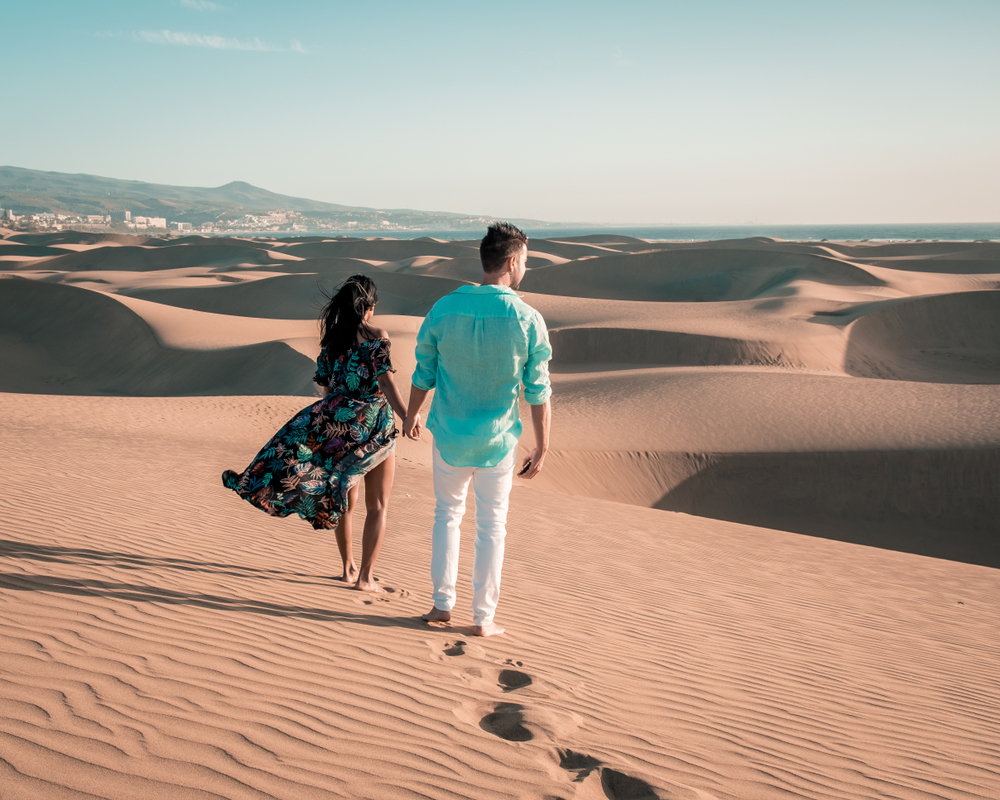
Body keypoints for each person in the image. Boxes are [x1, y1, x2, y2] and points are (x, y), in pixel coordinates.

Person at [402, 222, 552, 637]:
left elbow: (424, 371)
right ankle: (484, 619)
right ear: (510, 261)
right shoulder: (527, 318)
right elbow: (538, 390)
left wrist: (412, 414)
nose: (524, 267)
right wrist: (542, 446)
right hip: (498, 441)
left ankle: (440, 605)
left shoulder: (444, 309)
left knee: (447, 516)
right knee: (492, 525)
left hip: (449, 435)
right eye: (524, 260)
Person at [222, 274, 409, 593]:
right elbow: (385, 382)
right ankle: (366, 578)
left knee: (345, 503)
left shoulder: (332, 341)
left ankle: (347, 570)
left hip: (337, 428)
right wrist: (409, 415)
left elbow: (325, 390)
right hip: (373, 425)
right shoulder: (376, 335)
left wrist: (328, 428)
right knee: (378, 505)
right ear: (369, 306)